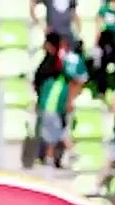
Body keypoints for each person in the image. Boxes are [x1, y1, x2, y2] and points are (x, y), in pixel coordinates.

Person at [34, 32, 88, 169]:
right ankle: (56, 157)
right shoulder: (51, 63)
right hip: (49, 102)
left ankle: (55, 158)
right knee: (54, 132)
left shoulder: (59, 63)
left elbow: (77, 80)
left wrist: (69, 99)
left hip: (53, 102)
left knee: (55, 133)